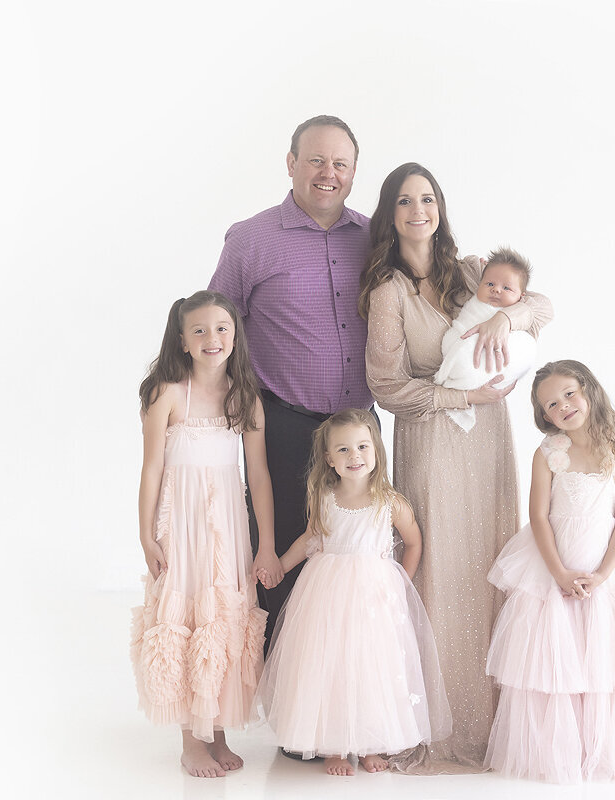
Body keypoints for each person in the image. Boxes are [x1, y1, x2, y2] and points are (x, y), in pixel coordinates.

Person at [359, 162, 553, 773]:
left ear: (440, 207)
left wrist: (505, 317)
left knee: (489, 556)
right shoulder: (389, 292)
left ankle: (497, 722)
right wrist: (462, 397)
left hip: (490, 440)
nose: (420, 210)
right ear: (390, 215)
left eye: (429, 198)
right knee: (439, 565)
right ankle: (434, 721)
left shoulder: (471, 271)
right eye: (406, 201)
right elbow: (387, 386)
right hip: (432, 437)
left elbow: (543, 304)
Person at [208, 115, 372, 654]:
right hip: (281, 426)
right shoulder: (251, 239)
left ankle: (346, 702)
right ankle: (289, 709)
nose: (329, 173)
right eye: (317, 160)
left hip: (359, 432)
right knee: (280, 563)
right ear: (291, 164)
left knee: (355, 561)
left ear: (353, 172)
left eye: (340, 164)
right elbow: (214, 325)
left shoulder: (374, 238)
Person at [484, 360, 615, 783]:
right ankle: (558, 748)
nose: (563, 406)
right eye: (551, 404)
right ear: (544, 416)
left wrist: (601, 574)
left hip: (605, 564)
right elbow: (539, 516)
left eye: (569, 393)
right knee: (554, 655)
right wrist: (559, 573)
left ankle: (598, 746)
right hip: (554, 563)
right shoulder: (549, 452)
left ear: (588, 390)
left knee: (604, 654)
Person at [255, 409, 451, 776]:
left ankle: (367, 744)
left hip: (373, 599)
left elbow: (413, 542)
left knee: (370, 665)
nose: (354, 456)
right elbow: (312, 539)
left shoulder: (390, 502)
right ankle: (334, 746)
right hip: (326, 597)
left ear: (376, 451)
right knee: (330, 665)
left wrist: (400, 583)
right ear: (329, 459)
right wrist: (281, 564)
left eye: (362, 447)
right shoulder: (325, 496)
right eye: (343, 450)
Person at [131, 292, 273, 778]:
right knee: (189, 611)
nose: (212, 339)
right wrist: (147, 536)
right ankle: (192, 740)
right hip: (183, 522)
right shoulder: (168, 392)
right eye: (199, 331)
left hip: (227, 523)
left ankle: (219, 730)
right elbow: (151, 470)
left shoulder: (246, 396)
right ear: (182, 340)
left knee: (224, 615)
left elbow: (259, 476)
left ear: (235, 334)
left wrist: (268, 543)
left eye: (221, 329)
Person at [433, 247, 538, 432]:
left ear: (521, 297)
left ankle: (464, 374)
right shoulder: (473, 303)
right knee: (455, 343)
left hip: (485, 383)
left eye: (506, 288)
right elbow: (462, 325)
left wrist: (503, 319)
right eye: (489, 284)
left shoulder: (518, 314)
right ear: (479, 284)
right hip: (458, 343)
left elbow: (545, 308)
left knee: (527, 345)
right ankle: (459, 373)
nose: (496, 290)